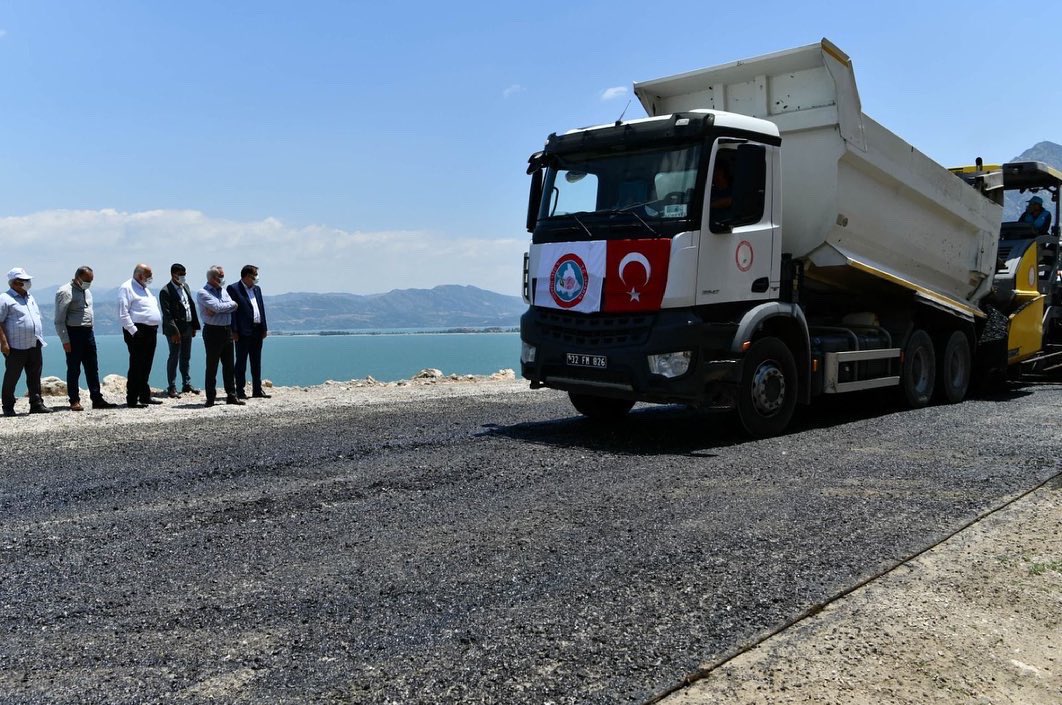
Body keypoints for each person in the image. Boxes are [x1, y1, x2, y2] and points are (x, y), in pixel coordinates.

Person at [54, 266, 117, 411]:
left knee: (92, 368)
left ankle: (97, 399)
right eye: (87, 280)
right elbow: (59, 319)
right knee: (74, 368)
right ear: (77, 277)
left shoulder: (87, 291)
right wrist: (65, 340)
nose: (89, 283)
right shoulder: (65, 291)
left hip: (88, 333)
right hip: (73, 333)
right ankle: (74, 400)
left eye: (91, 280)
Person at [0, 267, 52, 416]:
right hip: (16, 346)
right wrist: (3, 343)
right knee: (12, 376)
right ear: (15, 283)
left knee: (35, 374)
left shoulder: (30, 297)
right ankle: (8, 406)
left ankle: (36, 403)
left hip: (34, 343)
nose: (28, 283)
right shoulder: (5, 298)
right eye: (25, 281)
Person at [196, 265, 244, 407]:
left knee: (229, 365)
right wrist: (225, 307)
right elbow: (217, 307)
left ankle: (231, 395)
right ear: (212, 278)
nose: (223, 279)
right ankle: (210, 397)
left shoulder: (223, 291)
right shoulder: (203, 292)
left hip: (227, 331)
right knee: (212, 366)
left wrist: (223, 307)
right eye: (220, 276)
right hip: (212, 332)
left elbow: (234, 305)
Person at [117, 264, 163, 408]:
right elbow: (123, 313)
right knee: (137, 365)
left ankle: (144, 395)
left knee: (147, 364)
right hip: (138, 331)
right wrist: (134, 331)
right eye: (148, 275)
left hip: (151, 331)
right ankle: (132, 398)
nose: (150, 278)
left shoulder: (145, 289)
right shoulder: (127, 288)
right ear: (139, 275)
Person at [227, 264, 270, 399]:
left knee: (256, 361)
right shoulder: (234, 289)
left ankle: (257, 389)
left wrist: (264, 327)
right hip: (242, 331)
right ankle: (239, 390)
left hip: (257, 330)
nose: (256, 278)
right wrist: (234, 330)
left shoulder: (257, 289)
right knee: (241, 362)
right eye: (254, 275)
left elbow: (261, 308)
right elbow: (232, 311)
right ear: (246, 276)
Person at [159, 263, 201, 398]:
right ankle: (171, 386)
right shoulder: (165, 291)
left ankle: (186, 384)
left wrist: (194, 326)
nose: (183, 277)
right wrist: (174, 332)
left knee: (185, 357)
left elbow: (190, 306)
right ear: (173, 274)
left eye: (184, 274)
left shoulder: (186, 287)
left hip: (188, 327)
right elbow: (167, 315)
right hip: (175, 330)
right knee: (174, 357)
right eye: (181, 274)